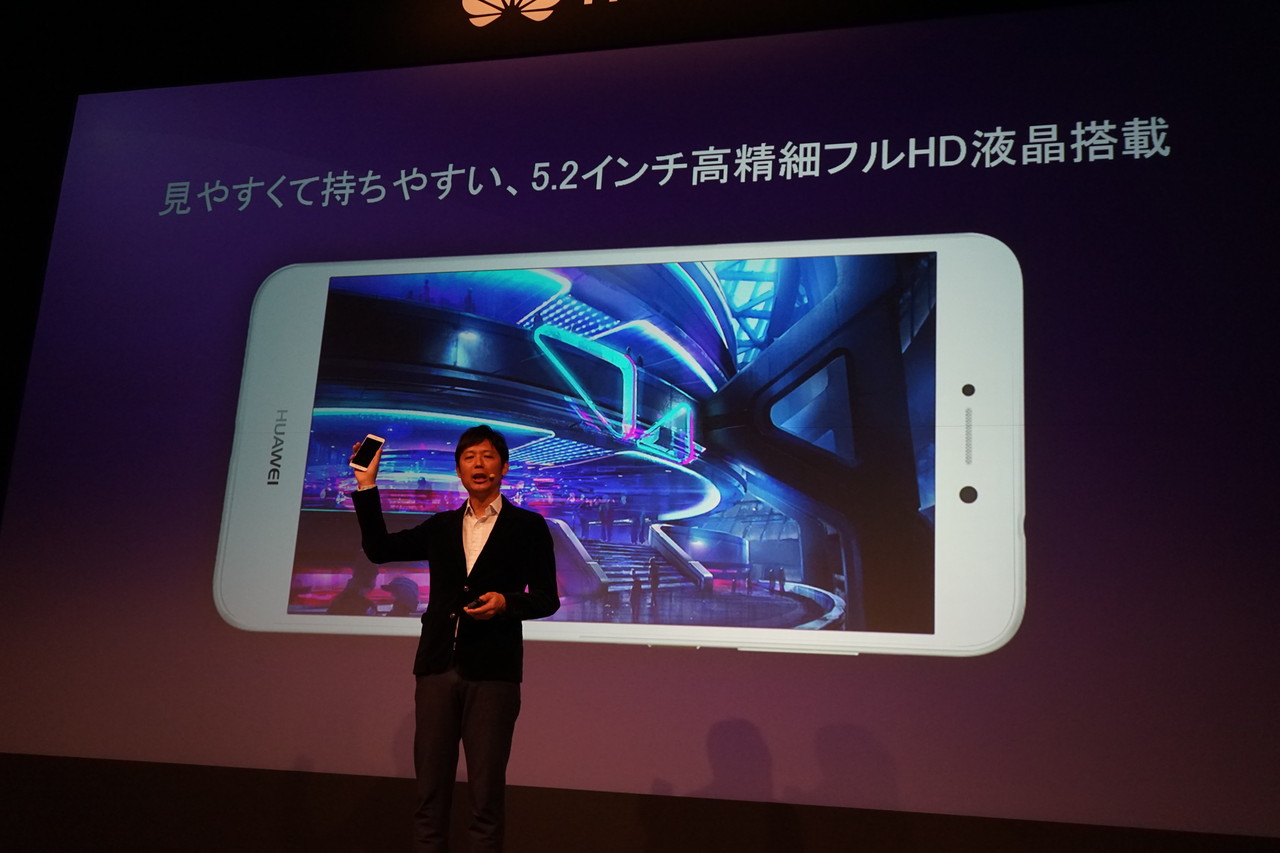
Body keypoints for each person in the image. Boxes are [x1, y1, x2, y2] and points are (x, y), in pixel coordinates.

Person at [350, 425, 560, 852]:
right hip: (436, 668)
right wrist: (367, 485)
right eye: (469, 457)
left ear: (503, 467)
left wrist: (507, 602)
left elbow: (546, 598)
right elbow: (379, 550)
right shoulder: (442, 525)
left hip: (494, 673)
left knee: (485, 798)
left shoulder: (529, 525)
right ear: (459, 471)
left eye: (487, 456)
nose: (478, 464)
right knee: (429, 795)